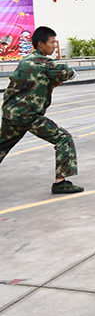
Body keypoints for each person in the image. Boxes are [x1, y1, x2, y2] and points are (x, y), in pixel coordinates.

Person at [0, 26, 82, 194]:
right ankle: (60, 183)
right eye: (51, 42)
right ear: (40, 44)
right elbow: (69, 72)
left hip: (10, 113)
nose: (54, 46)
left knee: (1, 146)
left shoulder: (25, 60)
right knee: (64, 138)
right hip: (28, 116)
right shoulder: (44, 63)